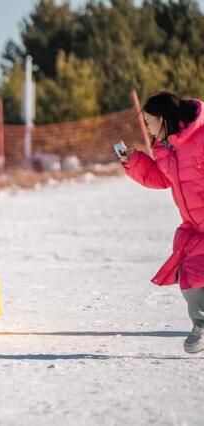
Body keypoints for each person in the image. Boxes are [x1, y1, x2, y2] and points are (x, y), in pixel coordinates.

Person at [120, 91, 204, 354]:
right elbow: (161, 178)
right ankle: (200, 325)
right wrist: (134, 161)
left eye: (148, 121)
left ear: (163, 117)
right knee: (191, 277)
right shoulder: (163, 147)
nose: (146, 127)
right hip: (194, 226)